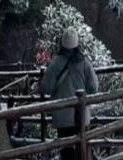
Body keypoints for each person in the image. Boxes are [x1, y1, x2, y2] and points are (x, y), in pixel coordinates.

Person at [40, 27, 99, 160]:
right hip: (82, 117)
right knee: (83, 148)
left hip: (62, 117)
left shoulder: (55, 64)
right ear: (77, 44)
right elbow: (94, 87)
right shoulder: (85, 63)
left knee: (67, 151)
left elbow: (46, 87)